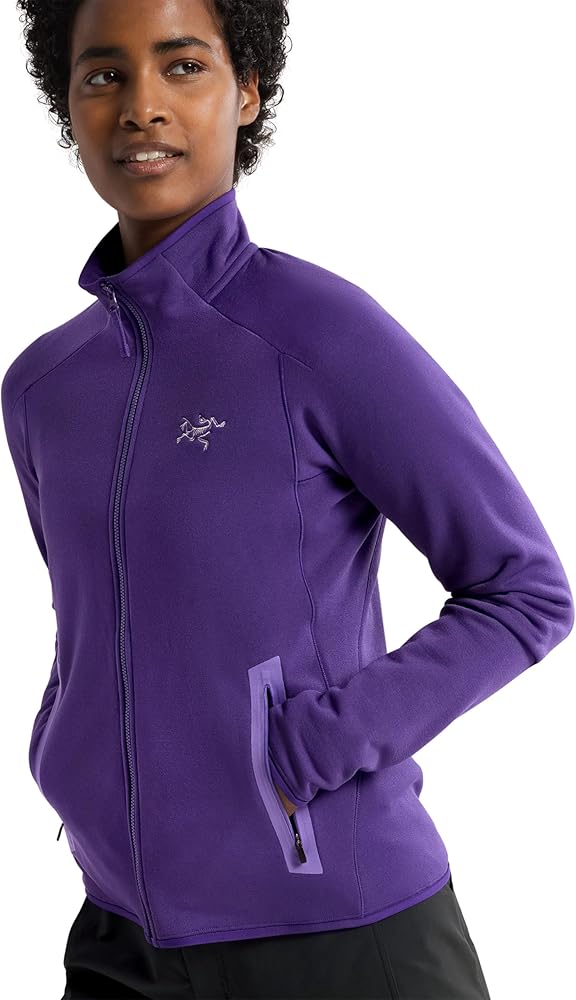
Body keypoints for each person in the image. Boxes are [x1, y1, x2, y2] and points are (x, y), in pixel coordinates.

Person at [3, 1, 573, 998]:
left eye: (183, 65)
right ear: (69, 104)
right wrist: (67, 751)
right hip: (120, 933)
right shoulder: (44, 387)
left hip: (339, 933)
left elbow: (524, 590)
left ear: (248, 92)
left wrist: (311, 746)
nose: (142, 106)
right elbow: (97, 620)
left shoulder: (319, 335)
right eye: (104, 75)